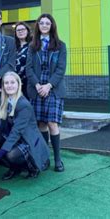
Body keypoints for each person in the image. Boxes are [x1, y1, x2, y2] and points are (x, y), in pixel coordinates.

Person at [0, 72, 50, 180]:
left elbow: (16, 133)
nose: (9, 85)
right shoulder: (3, 100)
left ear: (19, 84)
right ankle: (15, 168)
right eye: (6, 83)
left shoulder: (24, 105)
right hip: (15, 138)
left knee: (11, 155)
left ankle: (32, 167)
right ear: (3, 86)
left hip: (27, 141)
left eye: (12, 82)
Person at [25, 13, 67, 172]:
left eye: (47, 23)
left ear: (52, 26)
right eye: (41, 23)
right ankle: (44, 158)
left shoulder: (60, 46)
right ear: (38, 26)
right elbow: (28, 68)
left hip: (53, 90)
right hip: (37, 89)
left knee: (52, 123)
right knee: (41, 123)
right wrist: (37, 85)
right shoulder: (32, 46)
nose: (44, 26)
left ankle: (57, 159)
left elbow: (61, 69)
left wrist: (48, 86)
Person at [13, 22, 32, 98]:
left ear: (27, 31)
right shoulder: (13, 47)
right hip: (14, 82)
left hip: (27, 83)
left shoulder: (32, 46)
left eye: (23, 29)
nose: (20, 31)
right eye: (18, 30)